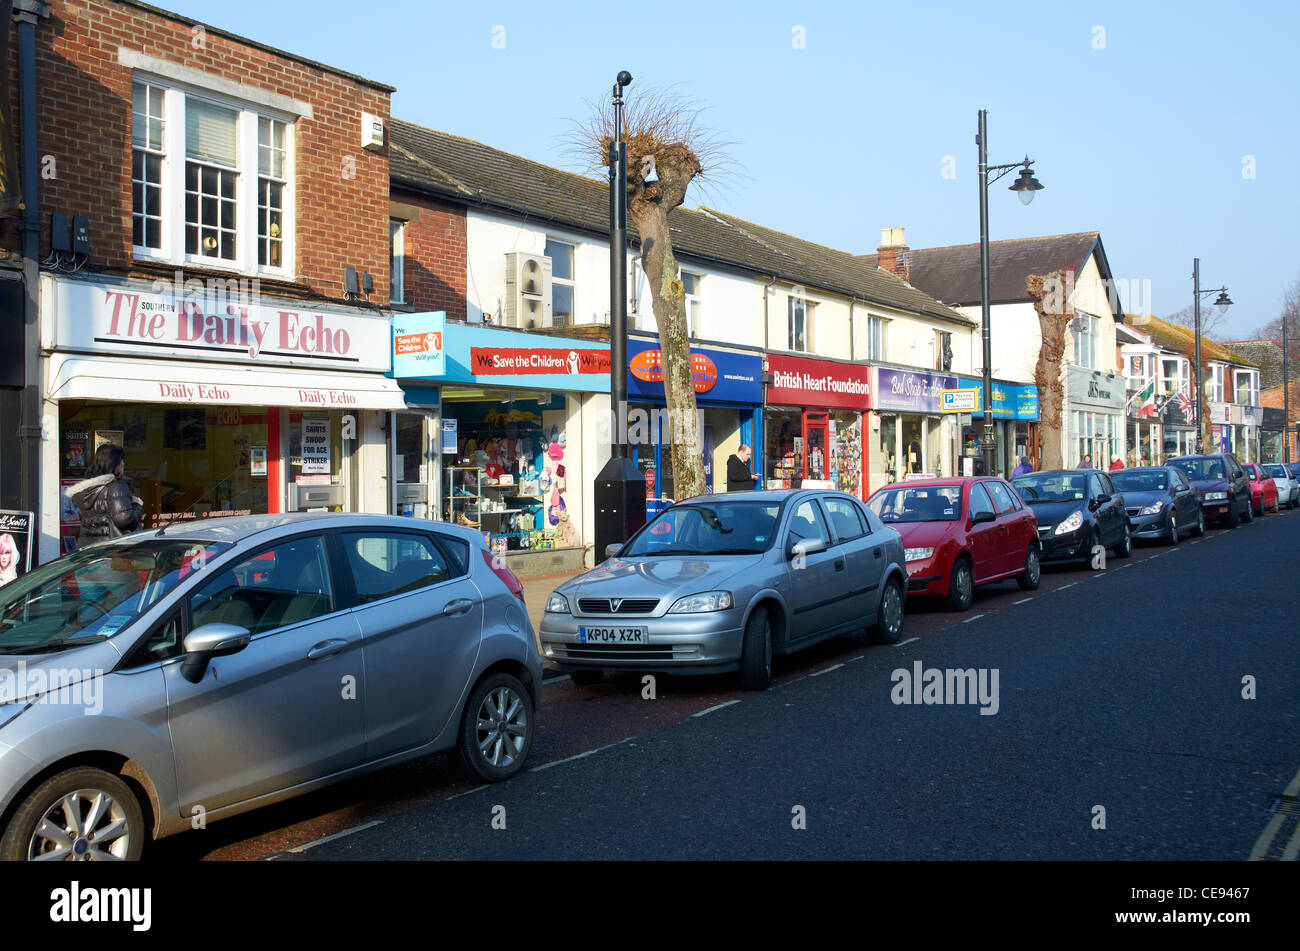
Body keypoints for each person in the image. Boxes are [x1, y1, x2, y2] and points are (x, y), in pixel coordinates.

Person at [65, 443, 144, 548]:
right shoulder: (117, 487)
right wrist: (137, 505)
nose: (123, 464)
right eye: (121, 460)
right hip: (114, 551)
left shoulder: (88, 489)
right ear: (114, 464)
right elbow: (124, 519)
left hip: (89, 550)